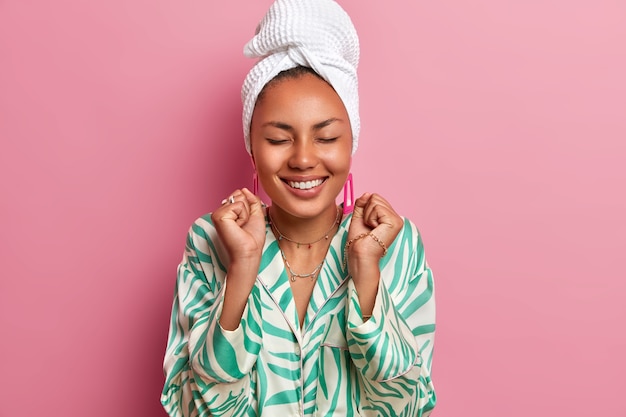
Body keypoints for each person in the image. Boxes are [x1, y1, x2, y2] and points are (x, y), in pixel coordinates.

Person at [161, 0, 436, 415]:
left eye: (326, 138)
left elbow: (407, 404)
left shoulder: (396, 245)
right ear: (251, 148)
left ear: (351, 143)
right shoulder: (211, 243)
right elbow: (190, 405)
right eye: (278, 139)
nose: (304, 159)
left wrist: (365, 276)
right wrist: (243, 269)